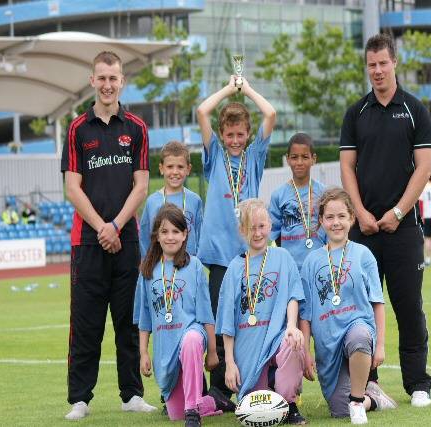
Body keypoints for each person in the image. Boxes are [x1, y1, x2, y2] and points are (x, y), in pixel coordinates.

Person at [339, 33, 431, 407]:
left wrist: (397, 212)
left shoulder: (414, 109)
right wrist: (359, 212)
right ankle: (368, 385)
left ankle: (418, 384)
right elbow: (347, 166)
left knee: (408, 306)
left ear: (395, 62)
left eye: (382, 63)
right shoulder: (355, 113)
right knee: (361, 309)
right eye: (371, 65)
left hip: (404, 229)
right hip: (363, 230)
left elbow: (423, 168)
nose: (377, 71)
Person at [61, 51, 155, 420]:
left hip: (126, 238)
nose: (107, 84)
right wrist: (101, 227)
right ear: (92, 80)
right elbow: (72, 187)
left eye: (113, 78)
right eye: (101, 78)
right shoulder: (77, 129)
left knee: (128, 323)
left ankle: (131, 394)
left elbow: (142, 185)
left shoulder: (136, 128)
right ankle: (79, 399)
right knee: (86, 323)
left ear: (122, 82)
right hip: (87, 241)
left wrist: (116, 225)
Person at [196, 75, 276, 401]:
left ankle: (249, 379)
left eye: (241, 134)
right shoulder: (214, 153)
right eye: (229, 134)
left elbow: (270, 115)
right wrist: (230, 89)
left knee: (248, 315)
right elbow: (202, 111)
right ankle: (218, 387)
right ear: (221, 134)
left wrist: (248, 90)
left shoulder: (254, 156)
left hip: (247, 251)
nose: (235, 140)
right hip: (217, 251)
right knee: (218, 317)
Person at [300, 189, 397, 424]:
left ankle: (357, 400)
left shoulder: (364, 255)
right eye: (330, 217)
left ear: (352, 218)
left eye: (342, 216)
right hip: (327, 343)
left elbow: (377, 303)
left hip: (357, 328)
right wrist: (305, 351)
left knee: (359, 337)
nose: (336, 223)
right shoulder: (311, 261)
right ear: (321, 221)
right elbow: (306, 314)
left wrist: (380, 345)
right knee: (339, 411)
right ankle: (371, 396)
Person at [215, 199, 307, 425]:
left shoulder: (282, 257)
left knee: (293, 343)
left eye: (261, 226)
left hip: (276, 336)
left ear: (270, 225)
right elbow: (226, 322)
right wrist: (230, 363)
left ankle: (290, 403)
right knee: (255, 406)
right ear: (241, 230)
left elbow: (292, 296)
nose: (256, 233)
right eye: (250, 228)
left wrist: (292, 326)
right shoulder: (234, 269)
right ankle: (270, 382)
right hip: (248, 345)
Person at [134, 140, 208, 415]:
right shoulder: (153, 201)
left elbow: (197, 236)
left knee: (191, 333)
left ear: (188, 169)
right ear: (161, 168)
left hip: (187, 273)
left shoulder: (196, 200)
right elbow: (145, 241)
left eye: (180, 166)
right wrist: (154, 269)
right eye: (170, 166)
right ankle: (178, 395)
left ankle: (197, 391)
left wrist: (191, 266)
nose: (175, 172)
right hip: (161, 273)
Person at [138, 205, 218, 427]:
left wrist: (211, 351)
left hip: (191, 336)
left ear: (185, 235)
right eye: (164, 232)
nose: (170, 237)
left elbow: (205, 313)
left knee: (191, 339)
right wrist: (143, 352)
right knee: (175, 414)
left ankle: (193, 410)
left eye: (175, 231)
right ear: (156, 236)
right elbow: (144, 318)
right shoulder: (147, 270)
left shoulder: (194, 266)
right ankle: (209, 402)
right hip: (165, 347)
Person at [269, 132, 326, 270]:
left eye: (305, 157)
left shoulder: (324, 193)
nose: (299, 162)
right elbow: (275, 233)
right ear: (288, 159)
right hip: (291, 267)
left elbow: (330, 228)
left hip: (319, 265)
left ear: (314, 159)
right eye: (294, 157)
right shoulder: (278, 195)